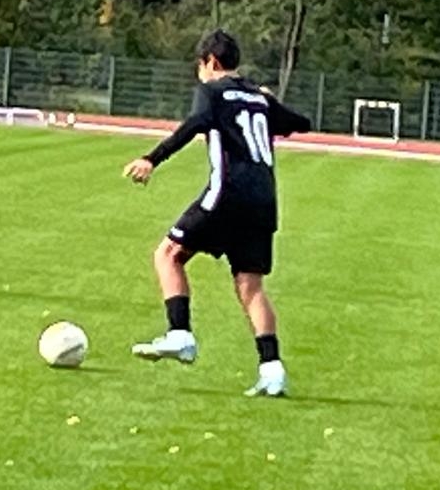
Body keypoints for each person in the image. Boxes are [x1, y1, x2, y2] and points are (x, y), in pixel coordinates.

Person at [123, 29, 311, 397]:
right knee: (251, 287)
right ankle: (272, 370)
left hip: (227, 195)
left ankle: (180, 334)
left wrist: (151, 159)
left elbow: (194, 124)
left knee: (168, 254)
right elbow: (300, 123)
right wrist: (270, 102)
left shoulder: (212, 91)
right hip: (264, 201)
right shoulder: (258, 96)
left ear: (210, 61)